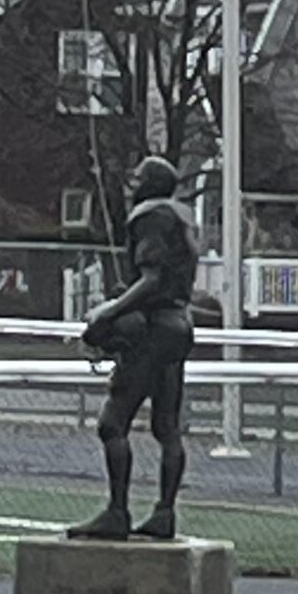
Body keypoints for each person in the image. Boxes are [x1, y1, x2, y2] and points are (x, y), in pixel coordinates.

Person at [68, 155, 198, 541]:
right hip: (180, 324)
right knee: (167, 427)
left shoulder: (151, 216)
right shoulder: (184, 216)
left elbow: (153, 278)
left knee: (113, 423)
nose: (131, 183)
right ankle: (165, 511)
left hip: (154, 328)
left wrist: (110, 311)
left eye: (138, 177)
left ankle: (117, 511)